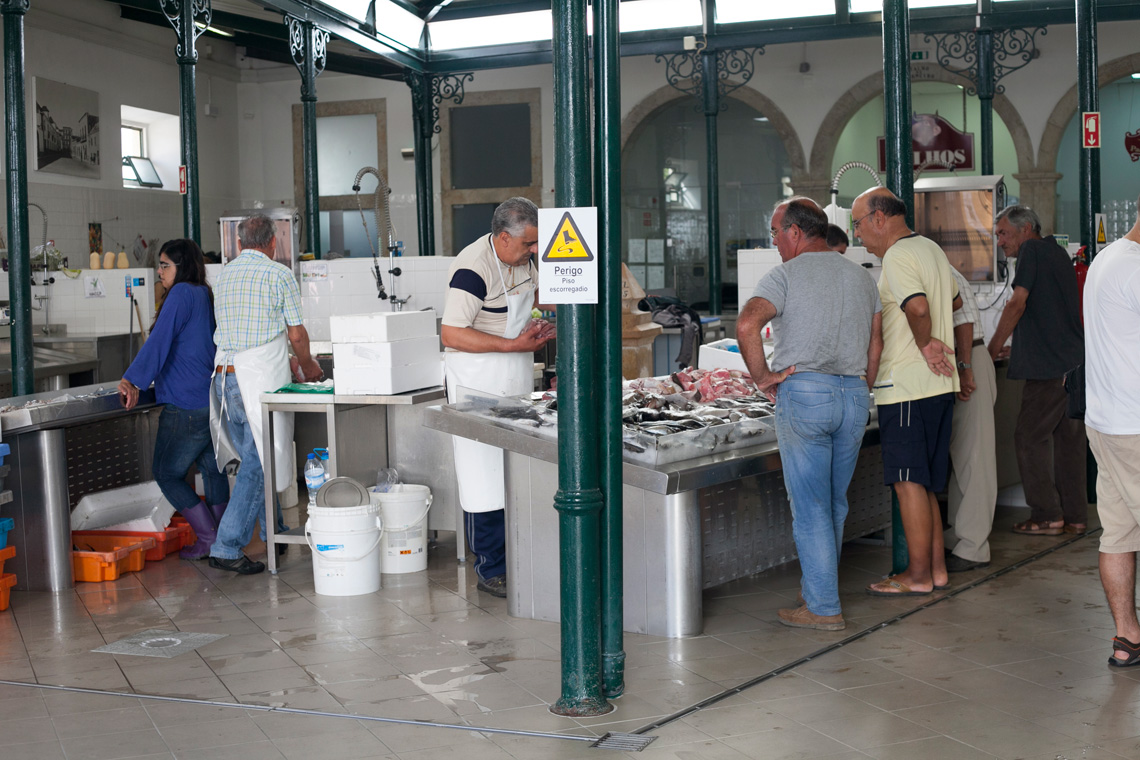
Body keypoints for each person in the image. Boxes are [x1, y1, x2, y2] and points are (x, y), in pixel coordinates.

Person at [738, 198, 882, 630]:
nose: (775, 244)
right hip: (854, 395)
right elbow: (876, 342)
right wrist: (863, 385)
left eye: (775, 234)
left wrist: (763, 377)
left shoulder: (784, 275)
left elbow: (747, 324)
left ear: (796, 233)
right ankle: (817, 589)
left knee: (811, 506)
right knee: (834, 503)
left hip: (806, 395)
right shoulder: (861, 277)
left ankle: (822, 607)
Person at [441, 197, 553, 598]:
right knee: (484, 474)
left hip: (515, 377)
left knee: (518, 471)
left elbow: (537, 302)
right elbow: (451, 333)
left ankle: (524, 555)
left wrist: (542, 328)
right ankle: (491, 568)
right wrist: (512, 346)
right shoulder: (473, 267)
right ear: (503, 238)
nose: (534, 251)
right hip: (477, 383)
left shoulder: (525, 259)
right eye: (528, 245)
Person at [852, 187, 960, 597]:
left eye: (859, 223)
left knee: (907, 482)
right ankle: (935, 570)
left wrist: (925, 342)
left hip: (907, 386)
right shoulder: (930, 248)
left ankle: (916, 575)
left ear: (880, 218)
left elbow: (918, 307)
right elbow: (949, 299)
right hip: (937, 384)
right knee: (925, 483)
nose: (859, 234)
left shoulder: (897, 256)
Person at [210, 214, 321, 574]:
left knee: (253, 458)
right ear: (274, 242)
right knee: (260, 462)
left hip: (225, 378)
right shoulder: (279, 274)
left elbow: (245, 331)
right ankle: (227, 545)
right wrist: (308, 366)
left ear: (239, 244)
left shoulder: (225, 274)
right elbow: (297, 335)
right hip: (255, 382)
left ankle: (274, 528)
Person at [119, 239, 229, 560]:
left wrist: (132, 379)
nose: (159, 271)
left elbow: (159, 342)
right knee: (213, 471)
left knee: (167, 473)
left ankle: (208, 539)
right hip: (209, 399)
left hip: (184, 403)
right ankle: (224, 541)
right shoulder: (202, 293)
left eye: (165, 265)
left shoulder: (180, 294)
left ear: (181, 267)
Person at [988, 205, 1087, 536]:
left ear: (1026, 228)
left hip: (1049, 370)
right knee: (1068, 445)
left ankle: (1046, 515)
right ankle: (1075, 515)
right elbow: (1052, 314)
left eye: (1003, 233)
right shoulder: (1057, 253)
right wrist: (1018, 347)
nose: (999, 241)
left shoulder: (1031, 250)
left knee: (1028, 438)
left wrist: (991, 349)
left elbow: (1018, 303)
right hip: (1072, 364)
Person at [1084, 195, 1140, 667]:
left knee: (1118, 534)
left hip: (1105, 423)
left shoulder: (1108, 257)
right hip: (1136, 427)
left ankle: (1127, 640)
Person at [944, 267, 998, 572]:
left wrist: (965, 368)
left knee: (975, 458)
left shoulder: (934, 263)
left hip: (968, 358)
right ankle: (959, 535)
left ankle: (974, 548)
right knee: (962, 456)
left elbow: (963, 319)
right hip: (957, 362)